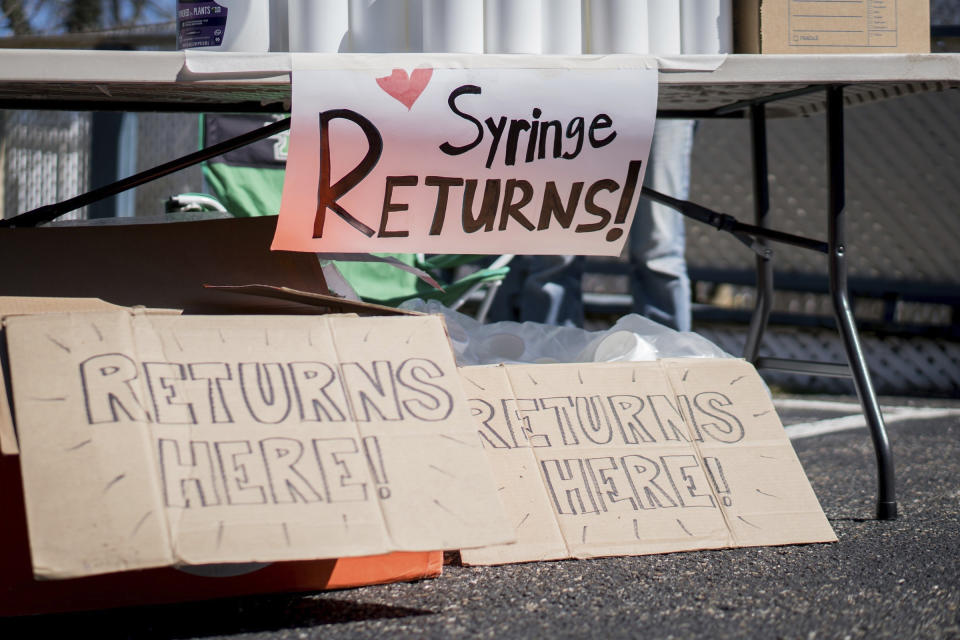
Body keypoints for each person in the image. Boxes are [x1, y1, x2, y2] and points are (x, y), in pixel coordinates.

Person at [628, 119, 696, 332]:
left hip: (665, 99)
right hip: (578, 93)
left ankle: (665, 355)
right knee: (557, 245)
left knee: (659, 248)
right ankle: (548, 357)